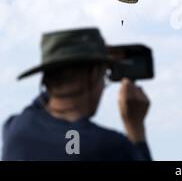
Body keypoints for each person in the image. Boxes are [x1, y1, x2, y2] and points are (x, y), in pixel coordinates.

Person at [2, 28, 152, 161]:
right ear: (93, 75)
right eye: (104, 75)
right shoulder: (110, 147)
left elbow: (41, 104)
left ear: (47, 77)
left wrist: (93, 57)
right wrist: (135, 127)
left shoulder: (14, 129)